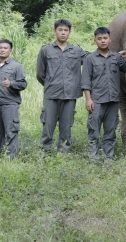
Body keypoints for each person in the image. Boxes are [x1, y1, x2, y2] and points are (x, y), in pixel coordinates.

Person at [81, 27, 126, 161]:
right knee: (93, 130)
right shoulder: (90, 58)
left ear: (110, 40)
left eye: (105, 38)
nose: (102, 41)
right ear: (95, 41)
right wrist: (88, 99)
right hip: (97, 101)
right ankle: (93, 158)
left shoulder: (116, 57)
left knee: (110, 131)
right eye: (99, 39)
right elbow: (86, 80)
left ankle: (108, 158)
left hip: (112, 101)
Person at [36, 19, 87, 153]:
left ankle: (63, 155)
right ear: (55, 31)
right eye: (60, 30)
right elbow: (40, 74)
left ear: (69, 32)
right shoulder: (46, 50)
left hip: (70, 95)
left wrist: (116, 55)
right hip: (51, 94)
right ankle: (44, 153)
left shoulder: (77, 50)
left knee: (66, 127)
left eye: (66, 30)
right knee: (48, 126)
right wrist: (50, 84)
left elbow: (95, 58)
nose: (63, 33)